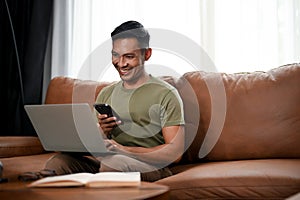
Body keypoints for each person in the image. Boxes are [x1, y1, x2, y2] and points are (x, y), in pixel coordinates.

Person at [43, 20, 185, 182]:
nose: (121, 63)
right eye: (115, 55)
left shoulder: (166, 94)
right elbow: (96, 144)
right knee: (58, 163)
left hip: (149, 166)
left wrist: (124, 150)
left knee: (114, 163)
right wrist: (102, 131)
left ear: (147, 54)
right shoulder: (106, 93)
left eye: (129, 57)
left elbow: (175, 154)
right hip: (109, 161)